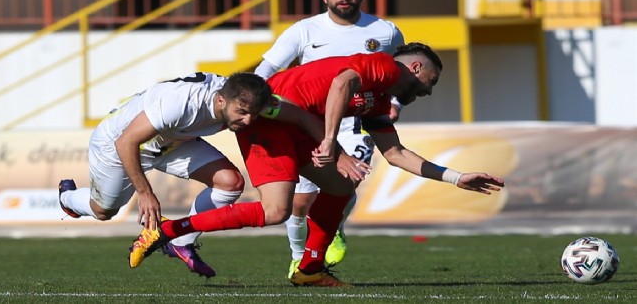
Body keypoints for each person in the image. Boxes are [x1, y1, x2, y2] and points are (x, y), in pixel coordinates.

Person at [128, 42, 505, 287]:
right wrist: (329, 141)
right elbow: (342, 84)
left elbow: (396, 154)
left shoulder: (377, 101)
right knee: (277, 211)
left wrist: (457, 178)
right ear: (417, 67)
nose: (427, 90)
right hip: (272, 120)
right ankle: (167, 231)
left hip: (299, 124)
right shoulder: (386, 69)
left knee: (341, 187)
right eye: (430, 81)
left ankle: (309, 268)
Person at [58, 72, 328, 278]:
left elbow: (301, 117)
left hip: (173, 143)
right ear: (221, 100)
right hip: (118, 144)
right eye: (242, 113)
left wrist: (333, 150)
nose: (248, 121)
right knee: (104, 211)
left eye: (254, 115)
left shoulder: (242, 98)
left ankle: (178, 241)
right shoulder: (181, 102)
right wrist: (145, 193)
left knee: (230, 183)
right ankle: (68, 197)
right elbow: (126, 142)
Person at [254, 0, 405, 277]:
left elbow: (404, 75)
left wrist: (395, 102)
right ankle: (300, 259)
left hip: (355, 125)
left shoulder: (386, 31)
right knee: (299, 203)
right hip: (310, 124)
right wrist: (258, 101)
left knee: (346, 182)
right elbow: (265, 70)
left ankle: (332, 225)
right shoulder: (304, 31)